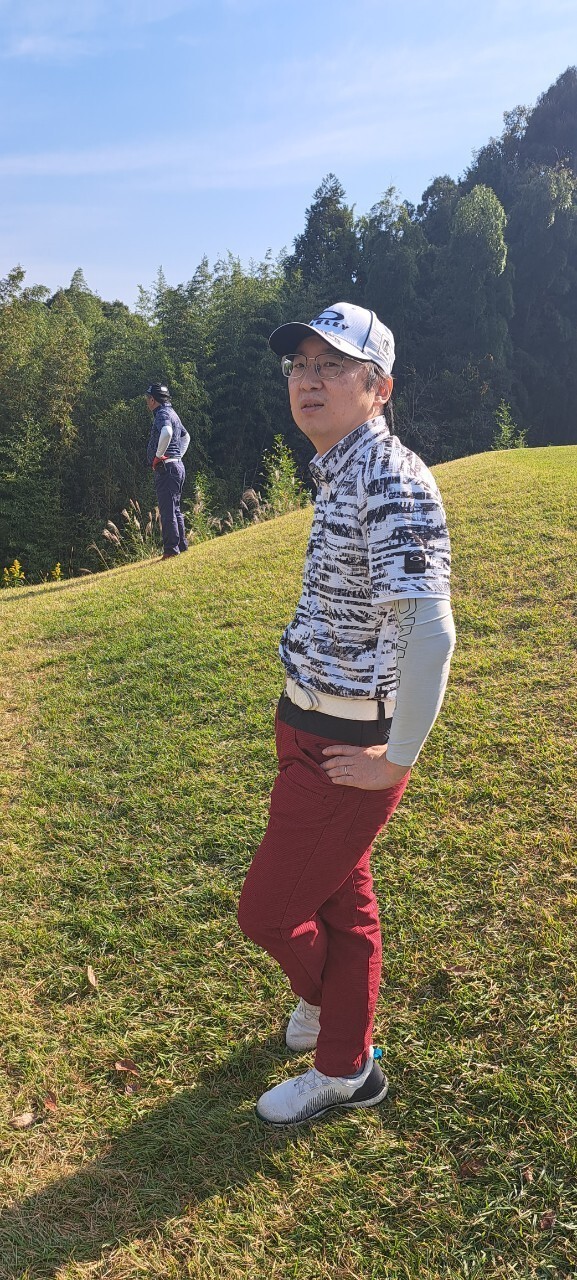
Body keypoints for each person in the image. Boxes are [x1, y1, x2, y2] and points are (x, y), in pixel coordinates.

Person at [237, 302, 456, 1126]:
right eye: (299, 365)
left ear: (378, 387)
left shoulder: (389, 478)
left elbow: (430, 632)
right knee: (342, 902)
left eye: (332, 366)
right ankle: (338, 1035)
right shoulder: (340, 466)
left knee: (268, 911)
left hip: (347, 743)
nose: (309, 380)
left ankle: (345, 1062)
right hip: (309, 720)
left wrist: (395, 760)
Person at [145, 382, 190, 559]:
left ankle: (171, 550)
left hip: (166, 468)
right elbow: (186, 437)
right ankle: (181, 545)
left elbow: (167, 432)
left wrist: (158, 456)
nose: (147, 402)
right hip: (176, 466)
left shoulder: (162, 414)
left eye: (148, 399)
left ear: (153, 400)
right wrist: (177, 456)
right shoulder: (172, 413)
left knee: (167, 511)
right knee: (175, 508)